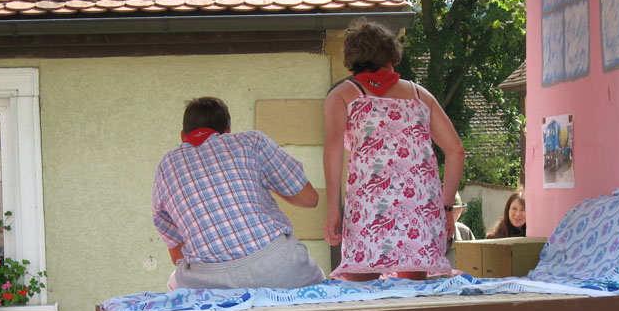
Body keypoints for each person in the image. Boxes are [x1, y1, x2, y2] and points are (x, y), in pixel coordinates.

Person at [322, 19, 466, 281]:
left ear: (351, 59)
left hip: (370, 206)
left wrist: (333, 208)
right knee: (411, 294)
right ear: (391, 56)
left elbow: (333, 147)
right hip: (419, 206)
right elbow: (456, 150)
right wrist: (445, 209)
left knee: (361, 292)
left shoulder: (342, 95)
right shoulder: (421, 96)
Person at [153, 97, 326, 290]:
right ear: (227, 132)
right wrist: (267, 182)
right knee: (319, 283)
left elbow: (177, 255)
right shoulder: (250, 142)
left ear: (183, 136)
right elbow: (309, 198)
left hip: (209, 284)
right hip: (279, 268)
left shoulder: (166, 167)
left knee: (174, 283)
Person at [445, 192, 475, 267]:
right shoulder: (423, 235)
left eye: (453, 212)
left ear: (460, 212)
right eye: (442, 212)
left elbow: (475, 263)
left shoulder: (465, 233)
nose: (447, 217)